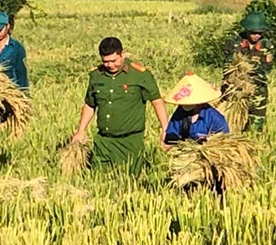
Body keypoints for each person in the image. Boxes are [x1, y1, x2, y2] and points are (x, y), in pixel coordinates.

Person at [71, 37, 168, 171]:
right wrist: (81, 130)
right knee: (99, 181)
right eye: (106, 61)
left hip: (130, 142)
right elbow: (90, 104)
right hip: (103, 142)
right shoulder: (96, 75)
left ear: (123, 54)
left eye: (113, 61)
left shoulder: (139, 75)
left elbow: (157, 102)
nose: (110, 65)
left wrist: (165, 129)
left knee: (129, 181)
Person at [222, 10, 273, 133]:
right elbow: (228, 66)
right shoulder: (234, 43)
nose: (256, 36)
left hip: (257, 91)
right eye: (253, 32)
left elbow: (266, 68)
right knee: (231, 126)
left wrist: (248, 71)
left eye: (259, 33)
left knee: (255, 127)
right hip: (235, 90)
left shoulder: (266, 45)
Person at [161, 73, 230, 147]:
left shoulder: (215, 119)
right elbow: (171, 137)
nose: (186, 105)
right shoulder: (180, 113)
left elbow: (224, 143)